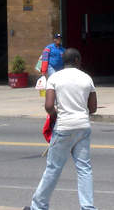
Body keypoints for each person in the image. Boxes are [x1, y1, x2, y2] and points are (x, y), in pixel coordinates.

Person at [25, 47, 97, 210]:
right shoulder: (87, 78)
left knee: (53, 168)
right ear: (78, 61)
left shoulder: (55, 78)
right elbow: (93, 108)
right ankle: (88, 207)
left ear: (63, 61)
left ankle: (39, 206)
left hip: (64, 126)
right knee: (84, 168)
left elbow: (49, 106)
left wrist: (57, 113)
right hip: (82, 126)